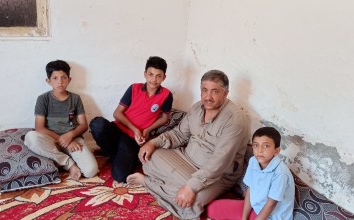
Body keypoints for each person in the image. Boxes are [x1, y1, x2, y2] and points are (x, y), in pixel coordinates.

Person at [127, 70, 250, 220]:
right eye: (204, 90)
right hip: (185, 158)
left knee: (192, 201)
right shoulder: (198, 107)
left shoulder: (235, 119)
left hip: (217, 175)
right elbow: (179, 134)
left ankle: (148, 182)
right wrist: (153, 143)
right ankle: (175, 189)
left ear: (226, 93)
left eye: (214, 92)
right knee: (151, 157)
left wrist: (191, 187)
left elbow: (220, 161)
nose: (208, 97)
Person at [89, 56, 173, 183]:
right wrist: (134, 129)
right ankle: (111, 154)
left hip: (133, 140)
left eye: (158, 76)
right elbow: (117, 113)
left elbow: (165, 118)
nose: (154, 79)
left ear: (164, 77)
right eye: (150, 74)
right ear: (145, 74)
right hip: (118, 130)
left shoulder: (167, 95)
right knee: (97, 124)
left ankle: (118, 156)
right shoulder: (134, 88)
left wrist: (148, 129)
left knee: (120, 176)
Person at [24, 60, 98, 180]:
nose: (60, 82)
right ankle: (69, 163)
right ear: (48, 81)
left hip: (73, 139)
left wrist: (70, 136)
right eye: (55, 78)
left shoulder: (75, 99)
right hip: (51, 140)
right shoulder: (43, 99)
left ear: (69, 79)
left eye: (64, 77)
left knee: (91, 171)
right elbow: (39, 127)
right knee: (31, 137)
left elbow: (83, 125)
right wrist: (62, 140)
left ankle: (60, 158)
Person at [207, 127, 295, 220]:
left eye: (266, 146)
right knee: (212, 209)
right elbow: (250, 189)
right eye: (256, 145)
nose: (260, 150)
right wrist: (244, 217)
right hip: (256, 208)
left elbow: (271, 204)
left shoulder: (280, 173)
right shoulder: (253, 161)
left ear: (276, 151)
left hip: (272, 216)